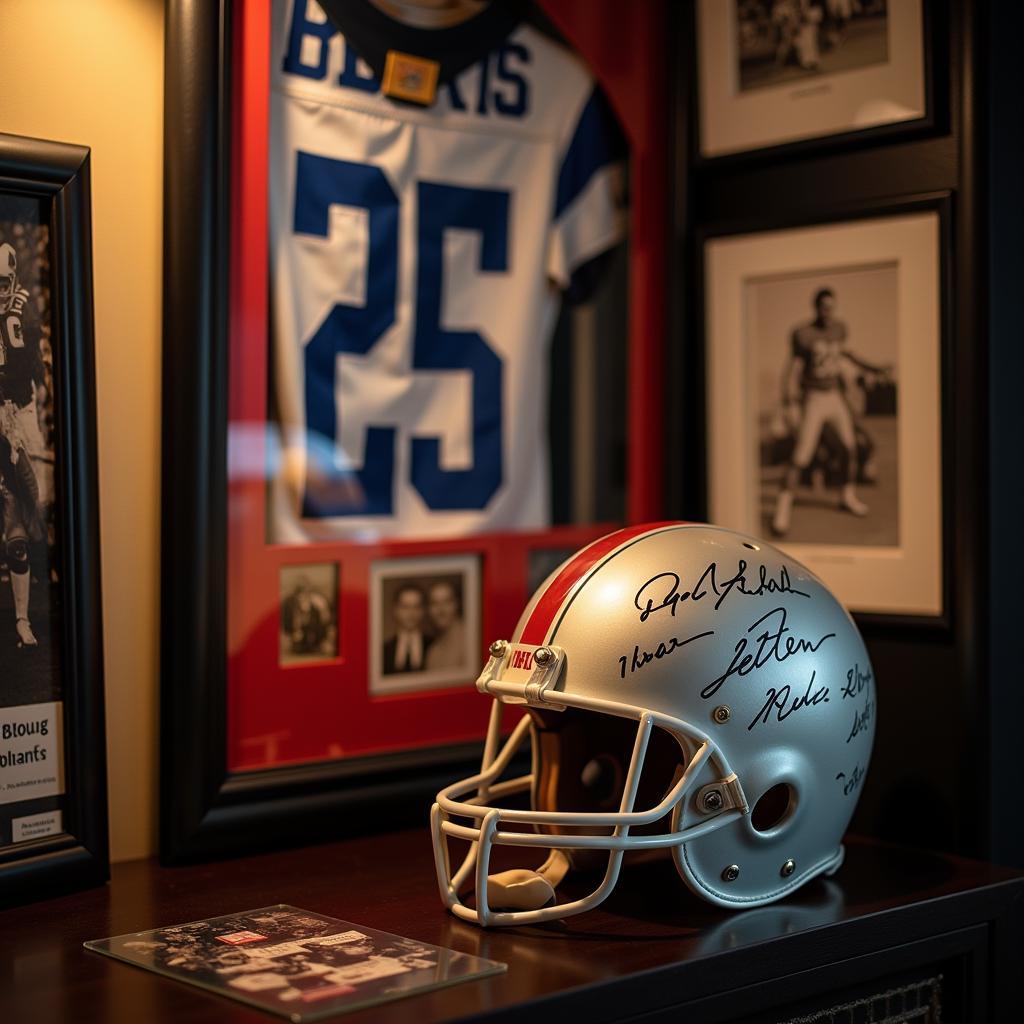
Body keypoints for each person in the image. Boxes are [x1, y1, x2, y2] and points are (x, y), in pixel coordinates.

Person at [771, 287, 889, 536]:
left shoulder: (839, 328)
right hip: (814, 397)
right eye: (824, 307)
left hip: (834, 396)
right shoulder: (803, 334)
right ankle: (783, 505)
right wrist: (788, 401)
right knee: (802, 455)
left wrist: (875, 367)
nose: (828, 312)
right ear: (816, 308)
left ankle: (847, 495)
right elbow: (792, 368)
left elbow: (847, 355)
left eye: (831, 307)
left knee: (849, 447)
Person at [0, 241, 46, 648]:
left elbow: (32, 360)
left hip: (17, 414)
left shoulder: (22, 310)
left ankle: (21, 617)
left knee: (29, 515)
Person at [382, 583, 432, 674]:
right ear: (396, 610)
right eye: (405, 607)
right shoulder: (384, 651)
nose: (411, 613)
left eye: (416, 607)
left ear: (423, 611)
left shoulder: (433, 646)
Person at [424, 580, 465, 672]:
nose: (441, 610)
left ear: (456, 604)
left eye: (447, 602)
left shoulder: (472, 640)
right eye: (434, 603)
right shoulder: (432, 653)